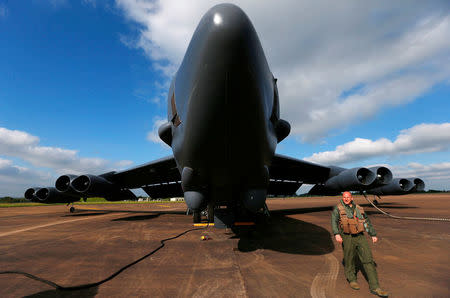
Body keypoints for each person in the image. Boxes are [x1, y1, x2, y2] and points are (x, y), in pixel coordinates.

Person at [331, 191, 389, 297]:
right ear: (342, 198)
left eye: (348, 197)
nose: (346, 199)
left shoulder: (359, 208)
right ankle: (352, 279)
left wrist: (372, 234)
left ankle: (375, 287)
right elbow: (334, 222)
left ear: (352, 198)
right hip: (347, 237)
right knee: (349, 258)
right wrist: (336, 234)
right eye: (344, 197)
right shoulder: (338, 209)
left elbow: (366, 222)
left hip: (360, 236)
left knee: (368, 259)